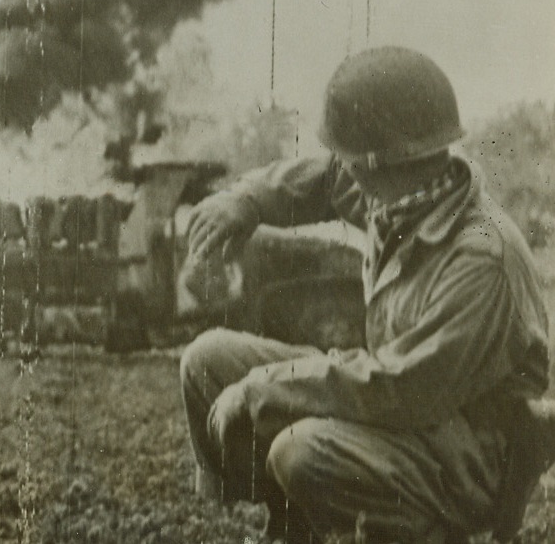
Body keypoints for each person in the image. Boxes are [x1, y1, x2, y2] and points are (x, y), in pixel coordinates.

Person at [181, 46, 555, 544]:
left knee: (301, 449)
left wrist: (262, 386)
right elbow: (322, 181)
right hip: (397, 410)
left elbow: (404, 388)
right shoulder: (402, 193)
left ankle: (424, 535)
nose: (344, 168)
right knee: (207, 361)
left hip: (468, 454)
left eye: (353, 158)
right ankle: (296, 527)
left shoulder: (480, 259)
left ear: (385, 161)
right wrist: (242, 202)